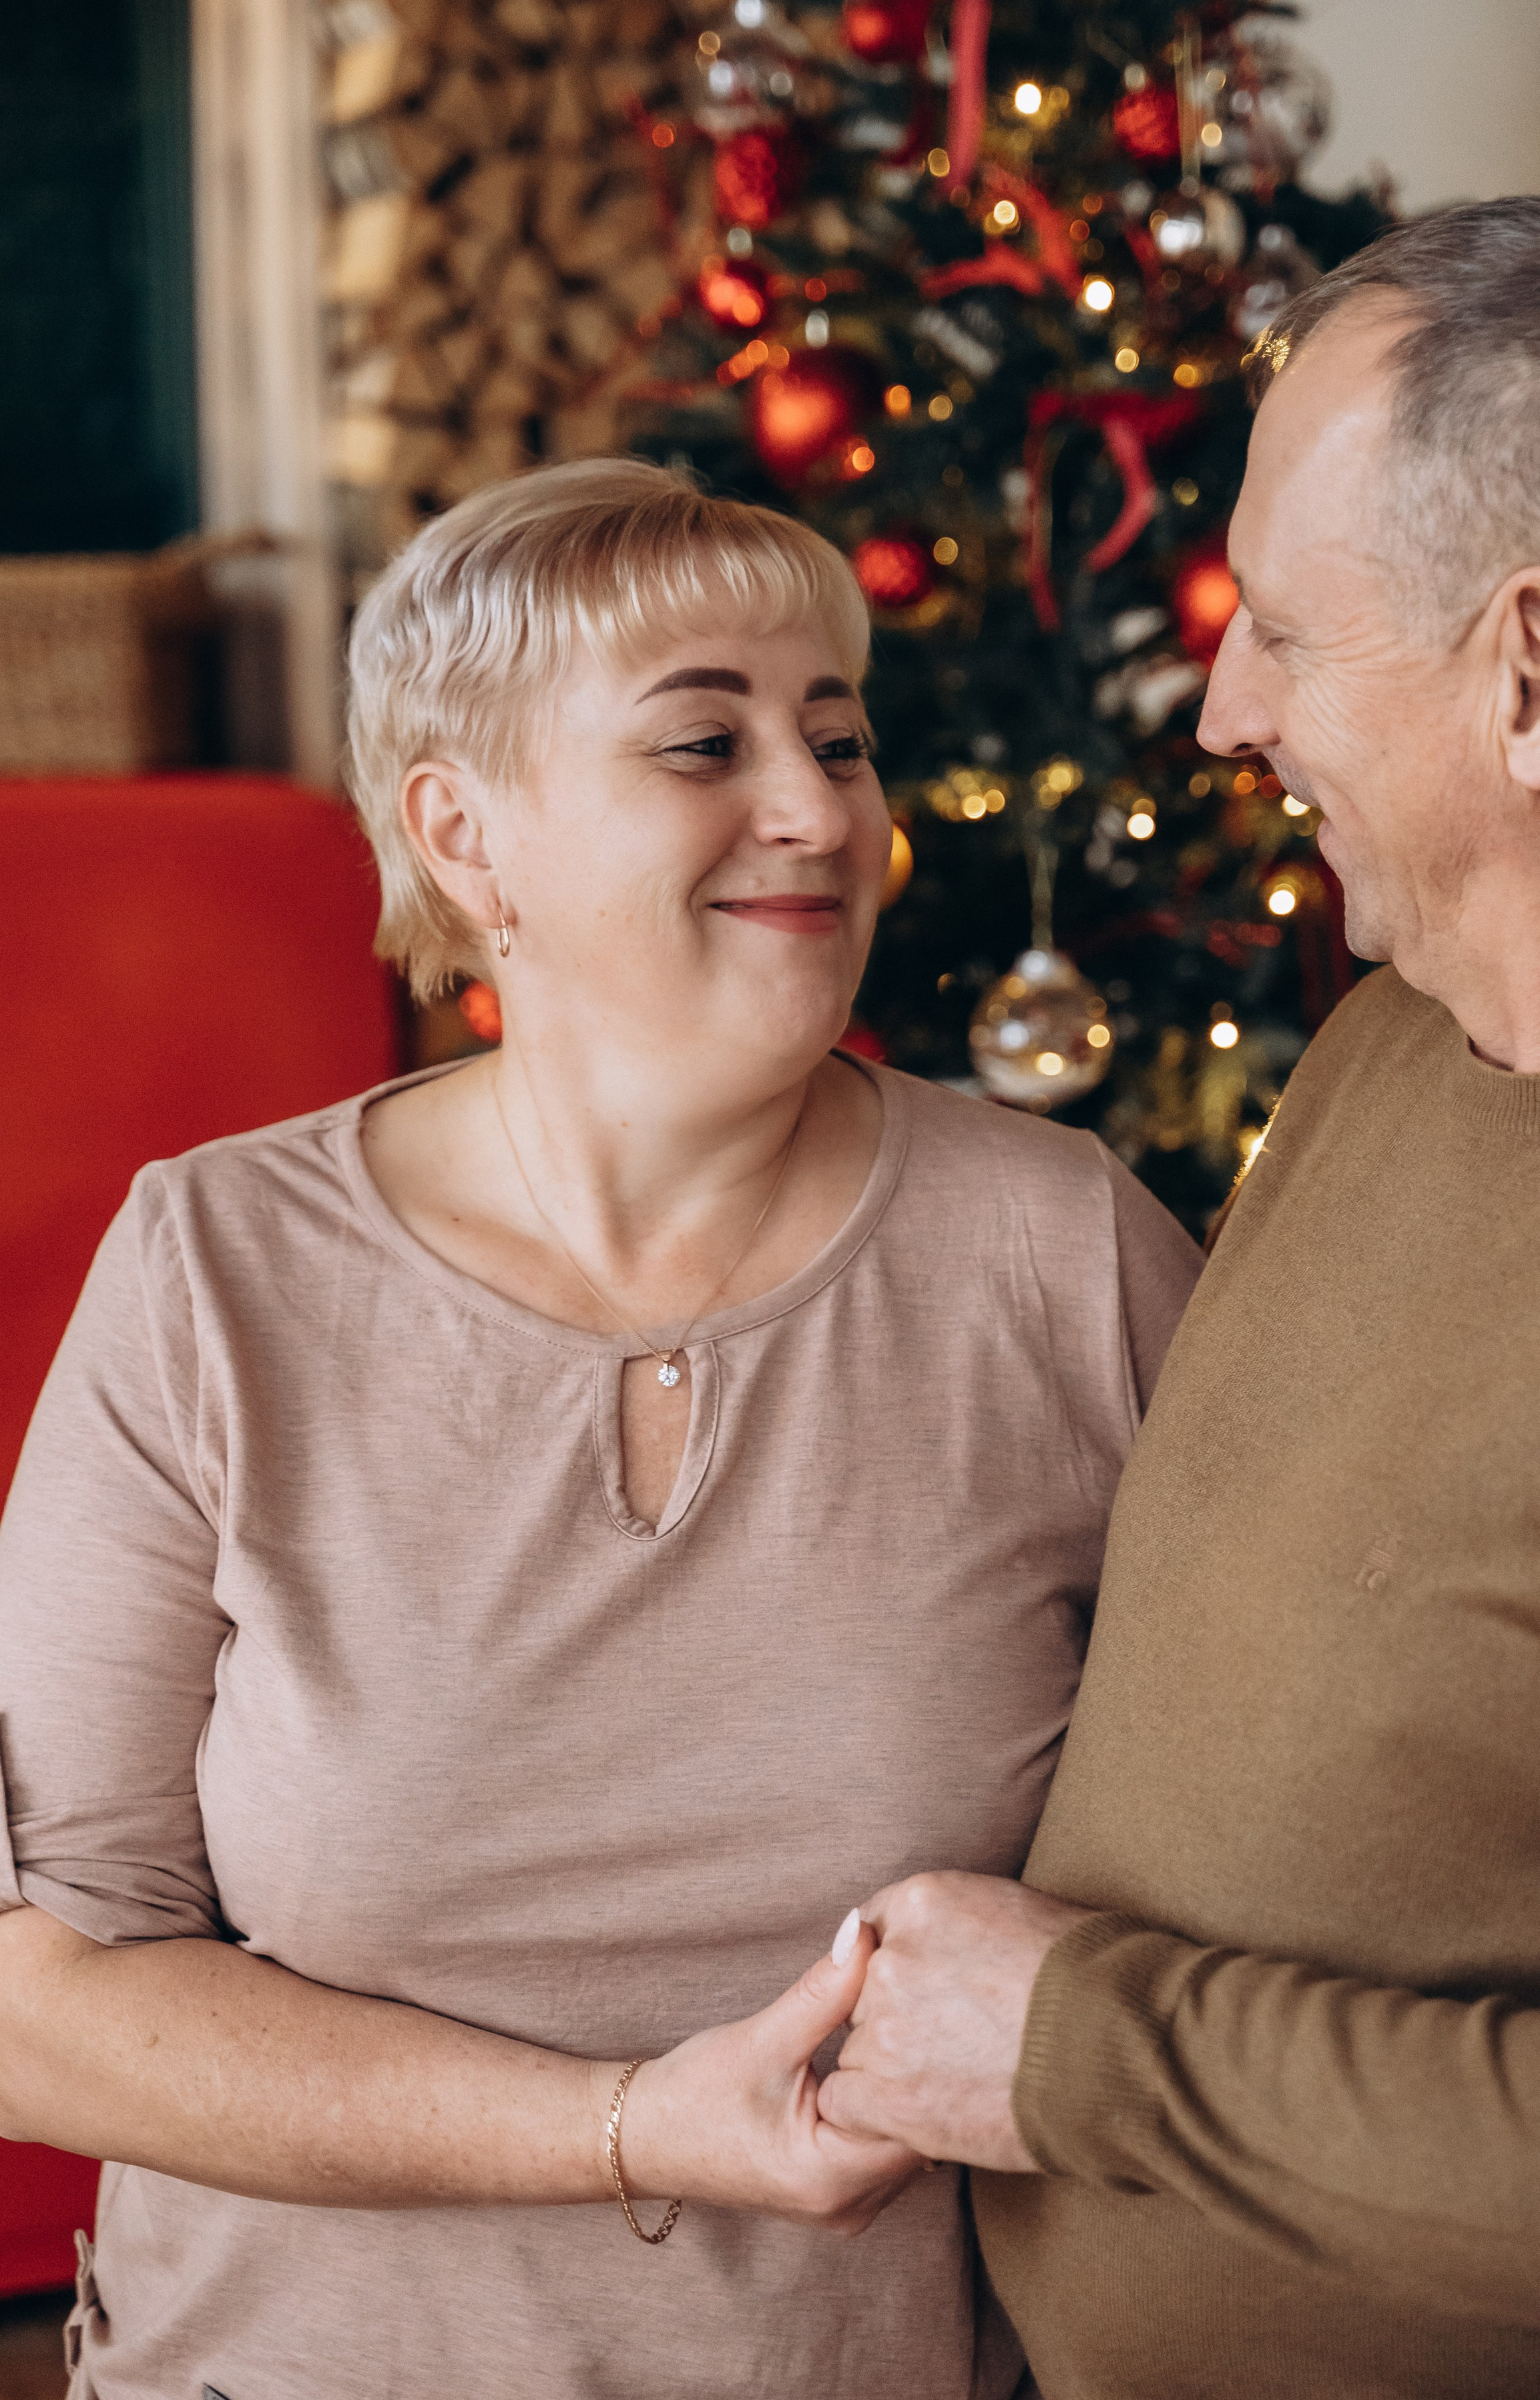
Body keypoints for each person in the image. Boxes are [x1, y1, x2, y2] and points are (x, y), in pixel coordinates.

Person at [0, 461, 1202, 2399]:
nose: (819, 810)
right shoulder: (213, 1270)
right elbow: (39, 2002)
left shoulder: (1064, 1253)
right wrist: (631, 2125)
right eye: (705, 743)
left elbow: (1257, 1879)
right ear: (464, 834)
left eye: (840, 739)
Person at [816, 192, 1540, 2399]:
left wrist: (1074, 2051)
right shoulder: (1389, 1047)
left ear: (1536, 675)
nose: (1226, 714)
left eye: (1285, 635)